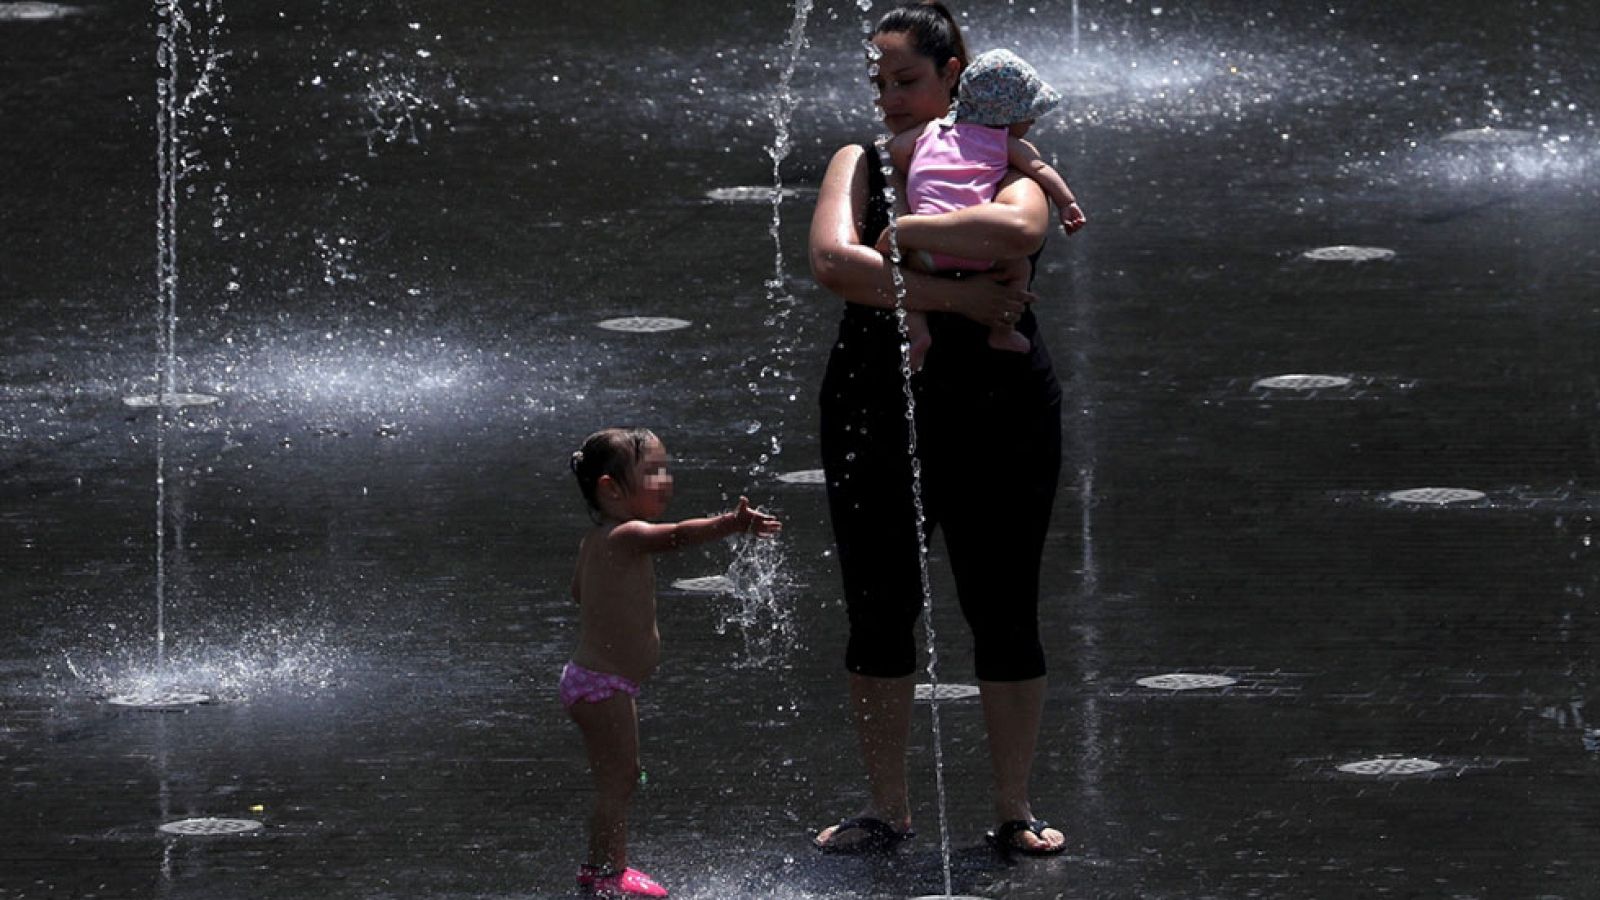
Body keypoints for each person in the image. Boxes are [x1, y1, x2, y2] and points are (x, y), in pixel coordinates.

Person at [808, 0, 1068, 858]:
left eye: (907, 80)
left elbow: (1022, 226)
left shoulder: (1001, 149)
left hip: (1001, 405)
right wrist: (959, 299)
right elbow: (835, 262)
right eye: (878, 82)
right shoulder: (860, 158)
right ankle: (886, 806)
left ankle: (1014, 808)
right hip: (875, 399)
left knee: (1005, 603)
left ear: (953, 73)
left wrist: (907, 246)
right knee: (877, 605)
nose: (889, 98)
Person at [564, 427, 782, 897]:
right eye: (653, 472)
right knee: (618, 781)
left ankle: (607, 868)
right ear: (611, 489)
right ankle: (606, 873)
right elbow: (679, 535)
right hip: (603, 685)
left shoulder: (596, 540)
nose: (666, 480)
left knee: (618, 778)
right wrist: (731, 523)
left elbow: (578, 591)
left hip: (597, 681)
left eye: (666, 470)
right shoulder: (628, 535)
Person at [884, 47, 1087, 370]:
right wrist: (1067, 203)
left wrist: (915, 171)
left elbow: (897, 149)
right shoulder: (1003, 143)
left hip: (926, 250)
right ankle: (1002, 331)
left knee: (905, 277)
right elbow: (1040, 169)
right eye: (1027, 115)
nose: (1032, 121)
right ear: (1005, 116)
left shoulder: (931, 132)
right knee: (1019, 268)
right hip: (982, 250)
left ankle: (918, 333)